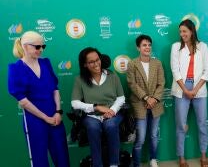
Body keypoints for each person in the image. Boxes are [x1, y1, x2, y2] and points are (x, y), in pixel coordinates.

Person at [7, 31, 70, 167]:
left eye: (43, 46)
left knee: (62, 156)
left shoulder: (46, 63)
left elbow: (55, 88)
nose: (41, 50)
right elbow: (22, 100)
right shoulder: (15, 69)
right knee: (39, 159)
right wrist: (45, 118)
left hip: (55, 117)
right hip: (34, 120)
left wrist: (58, 112)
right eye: (37, 47)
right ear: (25, 46)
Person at [71, 47, 125, 167]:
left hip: (112, 113)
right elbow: (75, 103)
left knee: (110, 125)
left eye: (97, 60)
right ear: (85, 64)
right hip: (92, 116)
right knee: (93, 128)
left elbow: (121, 98)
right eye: (91, 62)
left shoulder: (112, 76)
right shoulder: (80, 80)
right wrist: (96, 107)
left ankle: (114, 164)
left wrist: (112, 110)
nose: (96, 64)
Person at [170, 19, 208, 167]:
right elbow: (175, 70)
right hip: (181, 88)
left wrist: (195, 89)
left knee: (202, 124)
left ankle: (203, 156)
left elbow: (207, 72)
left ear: (192, 31)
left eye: (184, 31)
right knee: (181, 124)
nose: (182, 34)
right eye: (180, 32)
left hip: (199, 88)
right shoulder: (175, 47)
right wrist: (186, 89)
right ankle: (181, 158)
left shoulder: (203, 46)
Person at [126, 35, 165, 167]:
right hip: (139, 104)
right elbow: (132, 84)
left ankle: (153, 159)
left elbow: (161, 83)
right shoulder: (132, 64)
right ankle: (136, 163)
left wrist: (154, 98)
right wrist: (146, 97)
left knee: (154, 135)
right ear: (138, 48)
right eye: (144, 45)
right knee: (140, 138)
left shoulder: (157, 63)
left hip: (156, 104)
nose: (147, 47)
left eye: (149, 44)